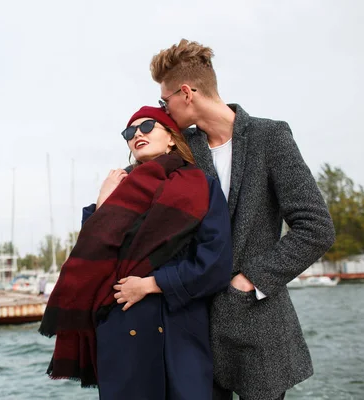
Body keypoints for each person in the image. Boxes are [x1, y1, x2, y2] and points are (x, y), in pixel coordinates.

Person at [149, 39, 336, 400]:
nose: (163, 109)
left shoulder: (270, 137)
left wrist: (249, 281)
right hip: (194, 332)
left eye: (164, 100)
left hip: (259, 329)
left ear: (186, 92)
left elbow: (316, 228)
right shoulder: (181, 149)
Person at [39, 106, 233, 399]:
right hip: (121, 330)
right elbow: (92, 259)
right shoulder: (116, 192)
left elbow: (215, 263)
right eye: (130, 132)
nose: (137, 135)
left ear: (171, 137)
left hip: (178, 329)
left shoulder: (201, 186)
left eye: (147, 127)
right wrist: (102, 204)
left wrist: (151, 284)